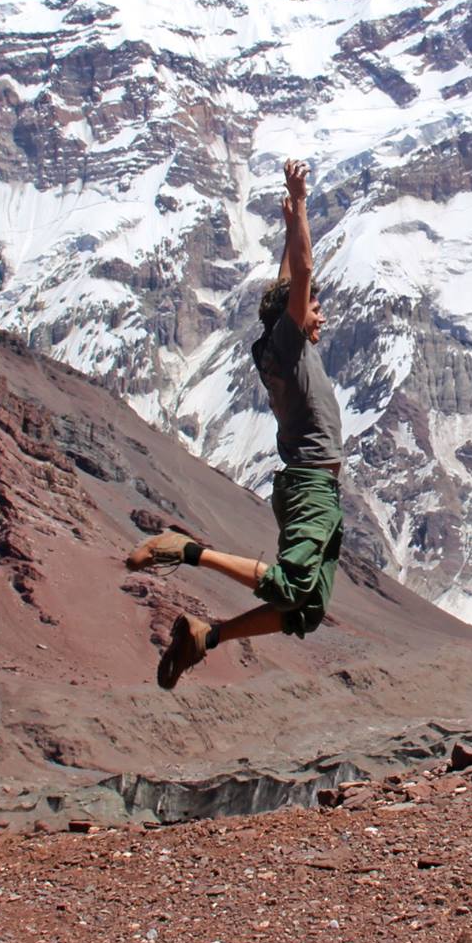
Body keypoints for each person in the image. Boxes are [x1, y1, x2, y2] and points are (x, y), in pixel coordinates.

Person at [126, 158, 345, 689]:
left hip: (317, 488)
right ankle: (187, 551)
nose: (321, 315)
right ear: (295, 314)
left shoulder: (277, 344)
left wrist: (290, 220)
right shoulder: (289, 346)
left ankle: (207, 636)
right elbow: (303, 272)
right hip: (312, 485)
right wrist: (303, 208)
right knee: (293, 587)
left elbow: (289, 281)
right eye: (314, 309)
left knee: (306, 609)